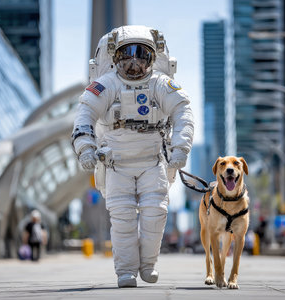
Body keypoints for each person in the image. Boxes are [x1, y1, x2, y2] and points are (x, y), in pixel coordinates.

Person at [72, 25, 194, 287]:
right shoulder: (106, 85)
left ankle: (148, 264)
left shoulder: (161, 84)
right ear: (115, 58)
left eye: (141, 55)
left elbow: (183, 111)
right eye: (128, 55)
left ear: (152, 58)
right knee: (123, 219)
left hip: (152, 162)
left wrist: (181, 147)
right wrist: (86, 148)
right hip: (117, 164)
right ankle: (126, 270)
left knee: (155, 214)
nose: (134, 62)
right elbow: (85, 115)